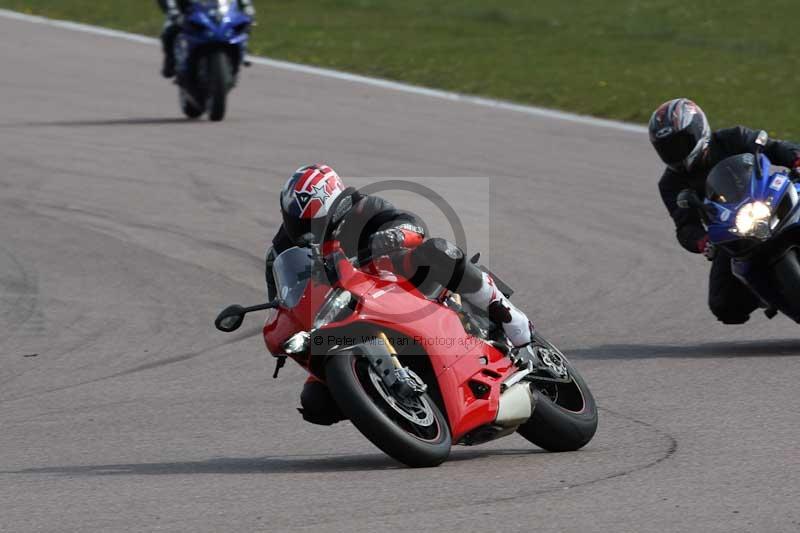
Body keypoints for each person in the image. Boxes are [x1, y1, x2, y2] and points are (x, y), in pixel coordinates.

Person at [265, 164, 535, 425]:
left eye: (316, 222)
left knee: (438, 251)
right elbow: (282, 300)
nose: (308, 231)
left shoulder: (362, 208)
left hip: (391, 283)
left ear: (337, 205)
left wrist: (395, 235)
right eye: (300, 224)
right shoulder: (280, 250)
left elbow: (410, 223)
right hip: (338, 318)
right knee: (316, 402)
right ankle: (389, 408)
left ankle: (509, 317)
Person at [650, 98, 800, 324]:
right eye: (667, 148)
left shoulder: (734, 138)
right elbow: (685, 227)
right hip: (732, 229)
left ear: (698, 131)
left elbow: (774, 148)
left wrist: (796, 159)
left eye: (680, 143)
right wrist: (702, 242)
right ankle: (765, 293)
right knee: (725, 306)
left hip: (767, 200)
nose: (674, 153)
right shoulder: (671, 184)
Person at [156, 0, 256, 78]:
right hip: (188, 11)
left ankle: (242, 50)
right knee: (170, 30)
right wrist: (173, 10)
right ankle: (171, 60)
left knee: (243, 23)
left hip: (216, 11)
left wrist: (247, 7)